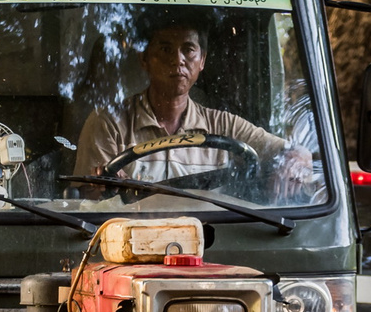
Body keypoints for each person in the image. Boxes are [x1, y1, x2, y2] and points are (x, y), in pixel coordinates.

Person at [72, 22, 313, 193]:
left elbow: (293, 152)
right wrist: (103, 189)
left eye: (188, 50)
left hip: (210, 247)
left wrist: (295, 161)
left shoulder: (224, 125)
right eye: (165, 49)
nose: (178, 60)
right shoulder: (109, 122)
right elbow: (88, 199)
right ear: (144, 59)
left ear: (202, 61)